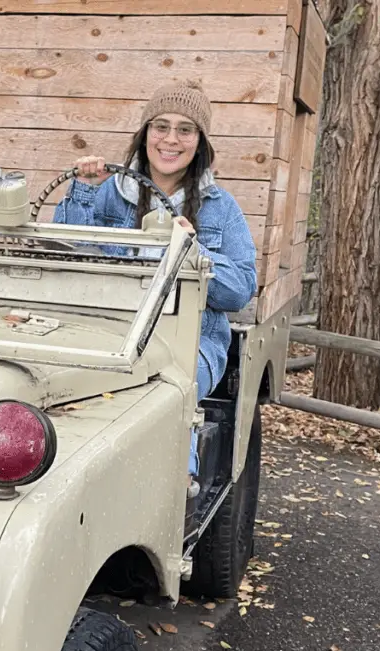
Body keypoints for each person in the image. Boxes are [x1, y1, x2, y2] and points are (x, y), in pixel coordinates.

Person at [53, 79, 258, 497]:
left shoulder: (221, 207)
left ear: (199, 142)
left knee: (165, 395)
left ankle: (170, 494)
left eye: (185, 129)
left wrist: (192, 252)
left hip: (189, 342)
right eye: (160, 126)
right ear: (144, 133)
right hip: (104, 330)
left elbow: (239, 291)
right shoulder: (105, 192)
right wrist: (83, 193)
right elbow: (66, 256)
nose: (170, 139)